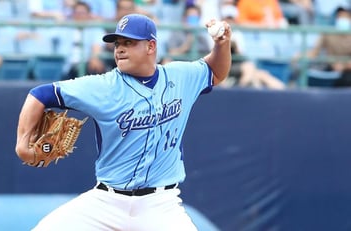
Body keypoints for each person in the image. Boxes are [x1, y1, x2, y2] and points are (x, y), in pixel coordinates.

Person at [15, 13, 231, 230]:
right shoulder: (103, 86)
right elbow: (40, 95)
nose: (119, 49)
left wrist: (222, 44)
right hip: (107, 203)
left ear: (151, 46)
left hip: (160, 205)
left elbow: (216, 71)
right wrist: (22, 143)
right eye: (117, 43)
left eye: (129, 42)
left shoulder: (180, 76)